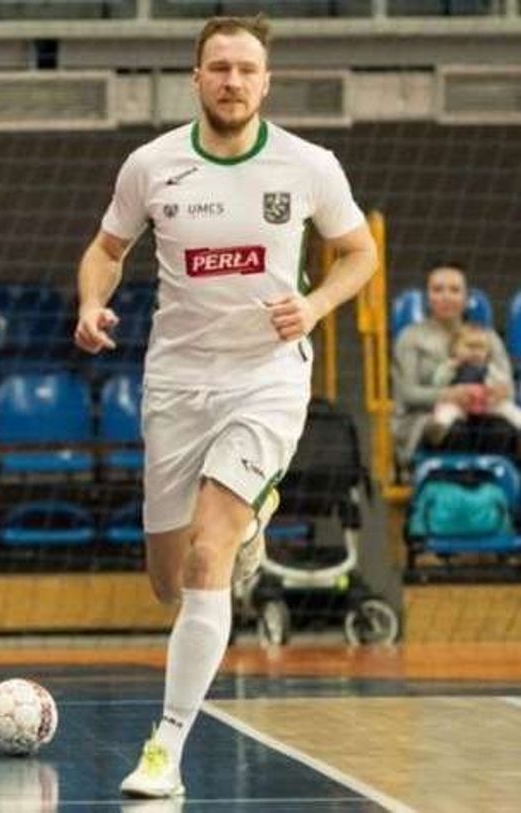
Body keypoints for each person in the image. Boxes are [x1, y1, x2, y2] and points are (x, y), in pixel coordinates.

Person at [72, 15, 377, 799]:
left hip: (266, 377)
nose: (233, 80)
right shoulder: (153, 164)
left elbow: (359, 253)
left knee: (211, 551)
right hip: (176, 379)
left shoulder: (309, 165)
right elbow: (107, 250)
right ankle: (251, 512)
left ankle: (163, 747)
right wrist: (90, 304)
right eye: (219, 67)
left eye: (247, 68)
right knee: (168, 581)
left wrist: (313, 308)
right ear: (197, 76)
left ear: (266, 81)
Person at [393, 263, 515, 464]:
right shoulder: (410, 338)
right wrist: (447, 395)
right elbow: (407, 393)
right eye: (437, 289)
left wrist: (495, 392)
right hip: (427, 418)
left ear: (467, 298)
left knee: (501, 432)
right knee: (456, 432)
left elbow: (508, 387)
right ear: (427, 297)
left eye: (455, 290)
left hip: (484, 411)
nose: (446, 296)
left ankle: (493, 493)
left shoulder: (488, 337)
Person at [423, 323, 521, 445]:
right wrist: (450, 369)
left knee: (508, 409)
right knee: (447, 411)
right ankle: (437, 429)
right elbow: (438, 382)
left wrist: (495, 391)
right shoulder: (450, 366)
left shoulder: (489, 368)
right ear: (455, 349)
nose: (475, 352)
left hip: (485, 403)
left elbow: (502, 383)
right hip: (458, 403)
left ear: (488, 352)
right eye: (469, 347)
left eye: (481, 348)